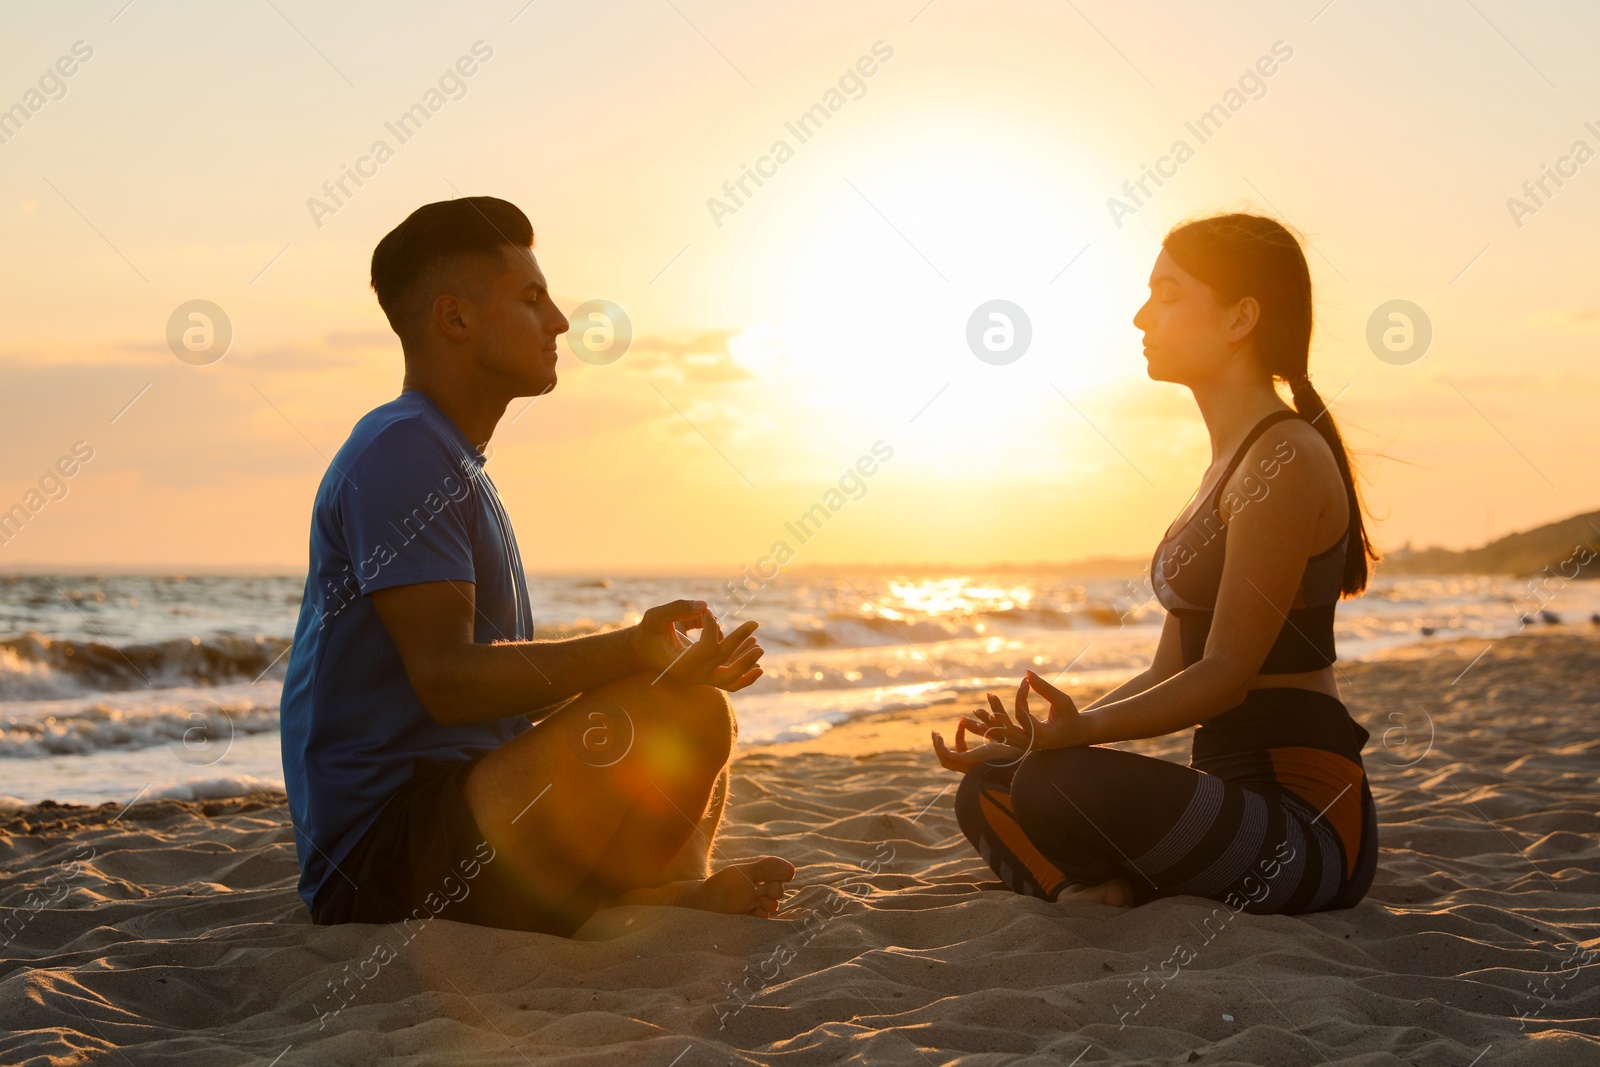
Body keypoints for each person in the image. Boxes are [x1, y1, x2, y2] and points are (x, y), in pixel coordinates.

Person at [280, 196, 794, 937]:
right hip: (382, 858)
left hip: (457, 814)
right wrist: (630, 651)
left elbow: (486, 713)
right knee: (676, 711)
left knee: (685, 706)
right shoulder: (401, 452)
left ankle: (663, 893)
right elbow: (448, 681)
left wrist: (651, 669)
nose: (558, 321)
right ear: (455, 320)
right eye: (532, 298)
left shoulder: (448, 457)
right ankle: (643, 896)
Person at [933, 213, 1380, 915]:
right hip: (1230, 801)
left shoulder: (1282, 457)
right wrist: (1040, 738)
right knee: (992, 782)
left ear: (1241, 318)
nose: (1142, 315)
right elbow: (1169, 672)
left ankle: (1101, 890)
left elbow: (1225, 675)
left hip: (1305, 831)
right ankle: (1094, 892)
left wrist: (1077, 737)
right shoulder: (1224, 467)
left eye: (1168, 294)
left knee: (1051, 786)